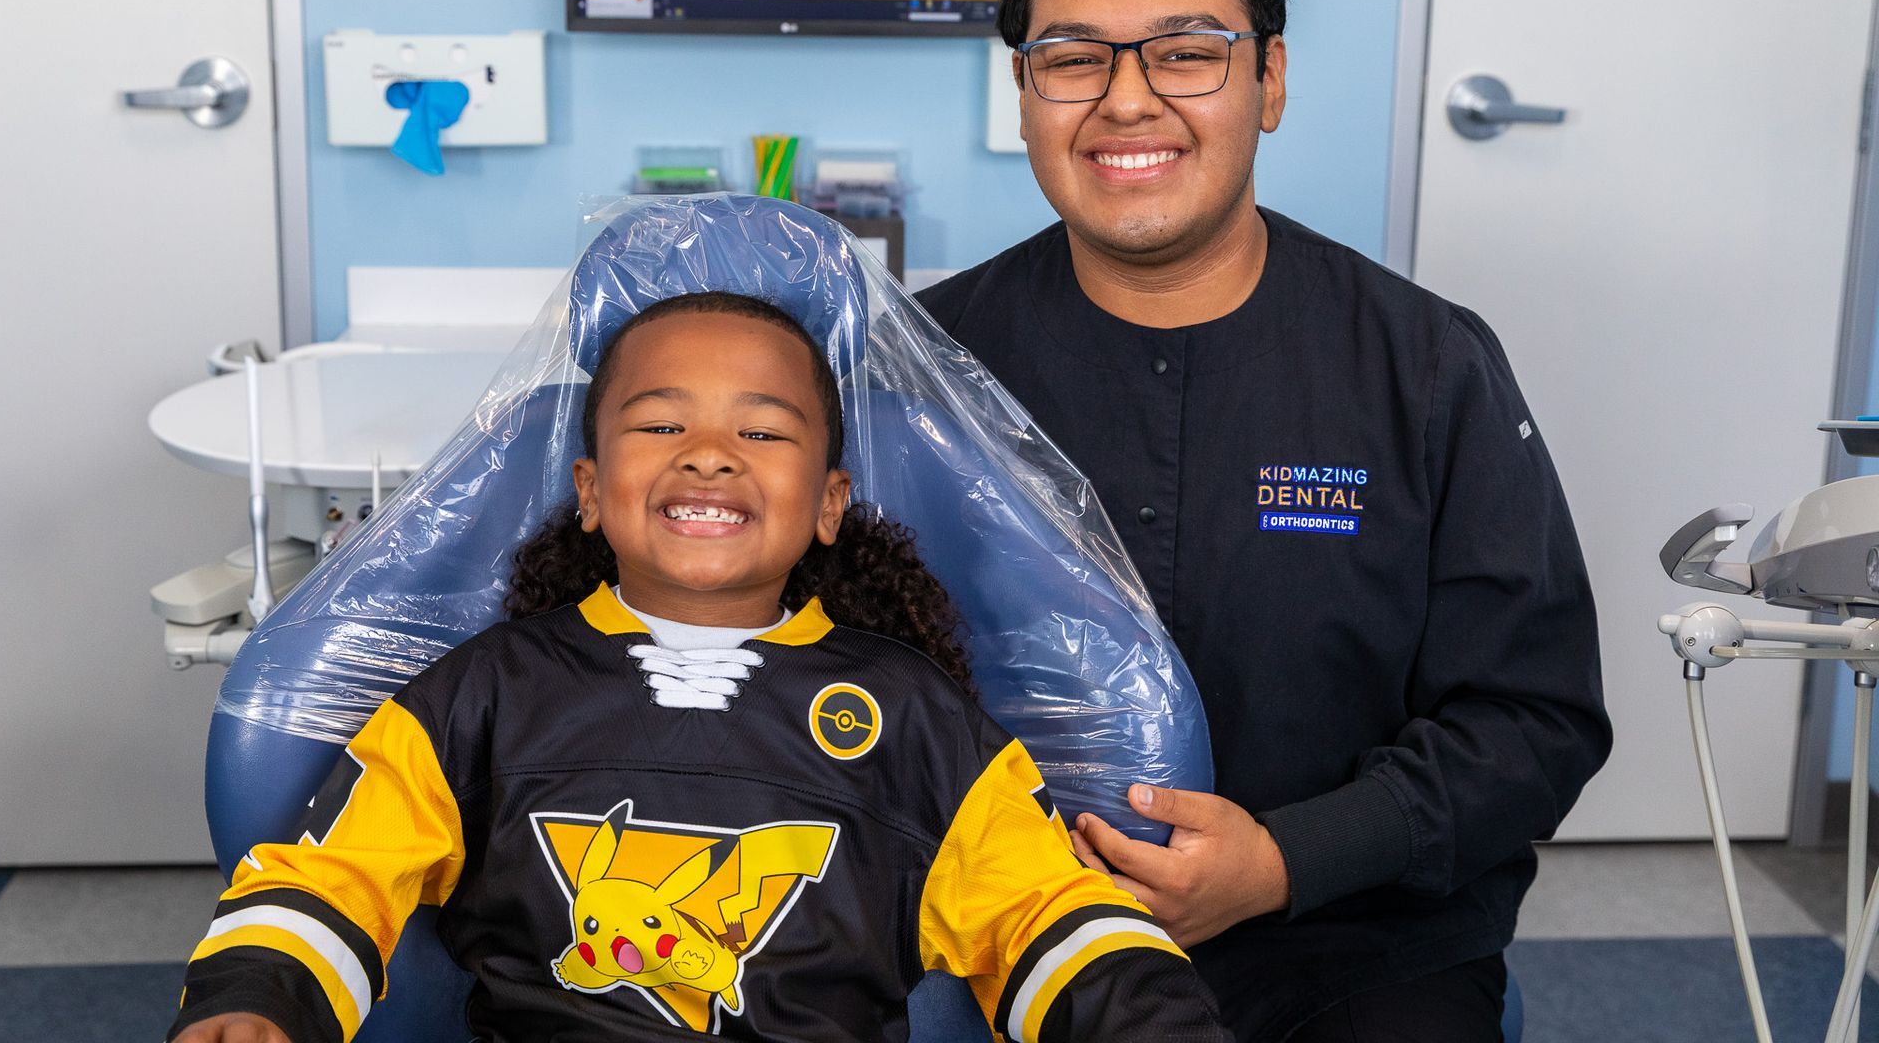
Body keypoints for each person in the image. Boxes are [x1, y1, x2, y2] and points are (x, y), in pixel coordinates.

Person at [917, 0, 1613, 1041]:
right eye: (1073, 58)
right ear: (1026, 92)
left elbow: (1535, 717)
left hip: (1352, 939)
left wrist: (1286, 858)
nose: (1126, 101)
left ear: (1269, 79)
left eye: (1186, 52)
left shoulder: (1426, 366)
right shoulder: (926, 367)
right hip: (1001, 937)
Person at [164, 292, 1230, 1043]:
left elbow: (1043, 912)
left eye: (762, 430)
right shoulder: (483, 695)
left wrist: (1151, 1016)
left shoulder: (909, 713)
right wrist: (261, 994)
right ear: (590, 487)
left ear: (828, 504)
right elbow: (328, 875)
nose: (709, 451)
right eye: (661, 420)